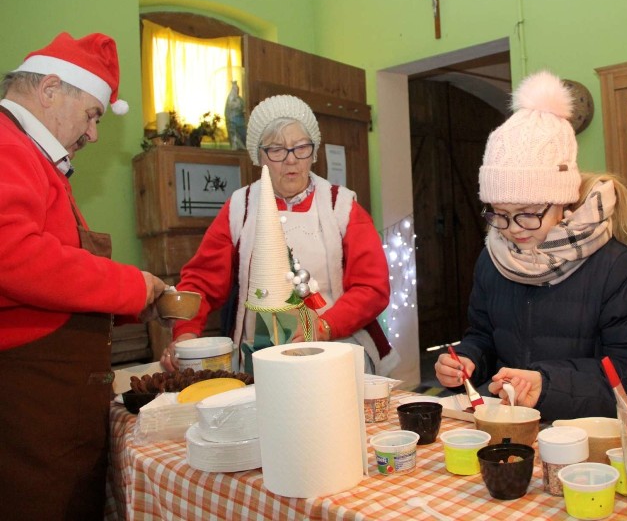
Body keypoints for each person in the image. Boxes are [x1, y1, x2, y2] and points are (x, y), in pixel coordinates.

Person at [0, 32, 168, 519]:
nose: (94, 134)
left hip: (51, 400)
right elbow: (14, 255)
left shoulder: (30, 153)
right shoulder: (8, 145)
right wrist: (130, 285)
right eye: (93, 114)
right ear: (50, 89)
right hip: (31, 401)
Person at [434, 71, 627, 421]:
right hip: (509, 423)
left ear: (563, 201)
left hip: (586, 433)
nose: (513, 229)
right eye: (500, 214)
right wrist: (466, 360)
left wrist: (546, 384)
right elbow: (483, 336)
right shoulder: (492, 258)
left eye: (528, 214)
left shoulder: (614, 264)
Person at [161, 94, 399, 375]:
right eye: (276, 150)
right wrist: (185, 334)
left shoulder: (342, 207)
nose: (291, 161)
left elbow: (372, 288)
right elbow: (201, 282)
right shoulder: (240, 208)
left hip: (338, 354)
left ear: (314, 152)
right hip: (259, 361)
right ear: (259, 156)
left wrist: (323, 325)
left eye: (301, 148)